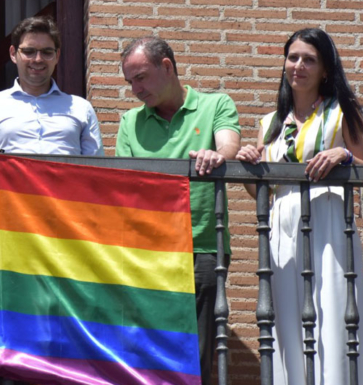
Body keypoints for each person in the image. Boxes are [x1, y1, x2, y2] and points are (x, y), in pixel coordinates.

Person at [235, 28, 363, 385]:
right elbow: (258, 193)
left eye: (309, 59)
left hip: (328, 221)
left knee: (332, 311)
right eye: (293, 57)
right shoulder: (269, 125)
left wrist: (343, 154)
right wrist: (251, 164)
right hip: (283, 224)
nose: (298, 65)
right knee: (287, 319)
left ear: (325, 69)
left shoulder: (342, 113)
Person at [115, 36, 241, 385]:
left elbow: (228, 145)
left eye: (140, 77)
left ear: (167, 66)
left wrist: (219, 155)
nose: (135, 89)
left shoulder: (216, 104)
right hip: (145, 251)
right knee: (144, 348)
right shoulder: (129, 122)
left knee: (196, 350)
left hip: (201, 244)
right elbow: (124, 186)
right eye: (130, 82)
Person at [0, 16, 102, 155]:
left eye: (47, 52)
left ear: (57, 56)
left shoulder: (81, 109)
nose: (38, 59)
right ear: (13, 54)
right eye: (29, 51)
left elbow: (96, 170)